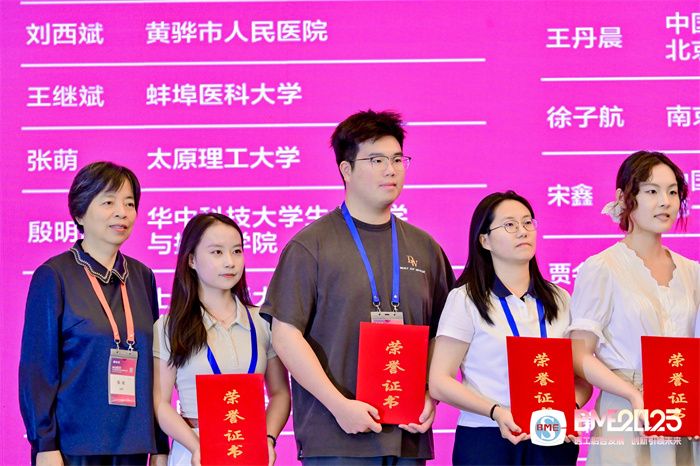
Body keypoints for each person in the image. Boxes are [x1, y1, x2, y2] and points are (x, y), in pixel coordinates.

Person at [261, 109, 455, 465]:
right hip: (336, 438)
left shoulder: (425, 248)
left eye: (398, 159)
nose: (391, 170)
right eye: (377, 160)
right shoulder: (311, 245)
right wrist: (339, 405)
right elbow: (285, 336)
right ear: (346, 169)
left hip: (408, 437)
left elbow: (444, 336)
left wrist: (432, 392)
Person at [19, 161, 168, 466]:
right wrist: (44, 445)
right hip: (75, 446)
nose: (122, 212)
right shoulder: (54, 276)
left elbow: (153, 371)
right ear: (79, 213)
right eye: (108, 202)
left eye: (129, 203)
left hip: (134, 445)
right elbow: (38, 371)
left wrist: (159, 445)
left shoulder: (143, 277)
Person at [429, 191, 587, 465]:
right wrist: (497, 412)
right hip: (487, 436)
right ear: (485, 240)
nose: (522, 231)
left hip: (551, 435)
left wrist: (569, 407)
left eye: (527, 223)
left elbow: (581, 378)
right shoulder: (466, 299)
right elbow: (440, 382)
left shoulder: (560, 298)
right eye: (510, 225)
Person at [568, 151, 699, 464]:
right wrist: (632, 394)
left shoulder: (693, 272)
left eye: (672, 192)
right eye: (652, 191)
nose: (665, 202)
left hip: (681, 406)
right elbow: (578, 354)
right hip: (627, 409)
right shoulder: (603, 267)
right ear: (623, 198)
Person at [153, 213, 290, 466]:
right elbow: (160, 403)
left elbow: (280, 393)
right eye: (217, 252)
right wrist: (197, 447)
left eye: (236, 251)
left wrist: (268, 440)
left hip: (249, 450)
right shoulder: (169, 326)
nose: (230, 262)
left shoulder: (263, 321)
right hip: (193, 453)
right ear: (191, 260)